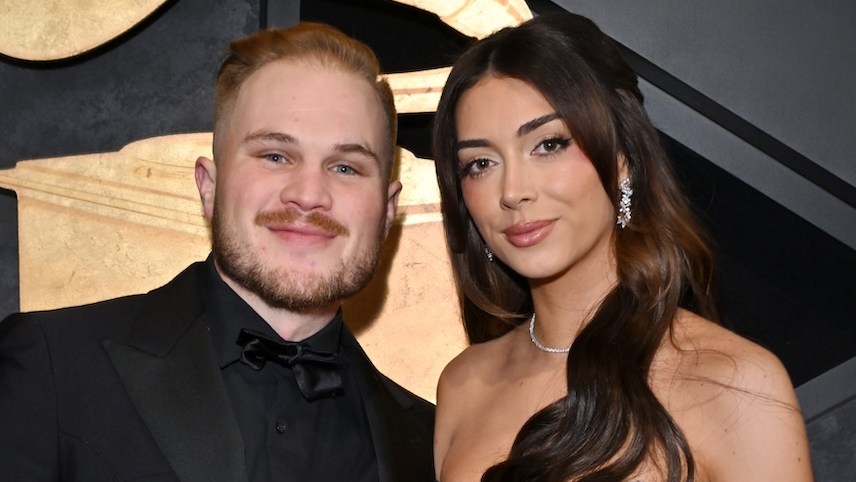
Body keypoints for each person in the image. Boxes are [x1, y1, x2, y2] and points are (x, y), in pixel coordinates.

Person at [0, 22, 434, 481]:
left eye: (345, 167)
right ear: (209, 187)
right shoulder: (53, 367)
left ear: (387, 212)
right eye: (274, 156)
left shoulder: (428, 444)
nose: (308, 195)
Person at [431, 12, 812, 482]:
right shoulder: (463, 386)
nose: (513, 191)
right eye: (480, 163)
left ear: (622, 158)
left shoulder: (734, 383)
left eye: (548, 145)